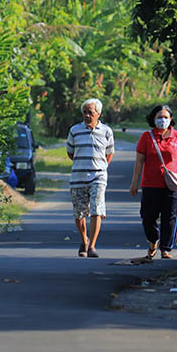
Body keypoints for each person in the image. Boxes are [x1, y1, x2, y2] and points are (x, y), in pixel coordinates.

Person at [129, 105, 177, 259]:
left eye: (165, 117)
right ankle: (153, 240)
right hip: (150, 184)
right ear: (153, 119)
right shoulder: (146, 137)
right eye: (159, 117)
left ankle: (166, 249)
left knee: (170, 217)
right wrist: (134, 183)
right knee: (147, 217)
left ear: (170, 119)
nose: (162, 120)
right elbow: (139, 162)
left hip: (172, 185)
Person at [66, 98, 115, 258]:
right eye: (84, 112)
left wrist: (99, 166)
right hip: (78, 176)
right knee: (79, 213)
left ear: (98, 113)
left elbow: (109, 153)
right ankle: (84, 240)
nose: (87, 115)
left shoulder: (106, 131)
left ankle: (92, 246)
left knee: (96, 209)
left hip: (99, 176)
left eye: (90, 112)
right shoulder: (75, 130)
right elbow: (70, 153)